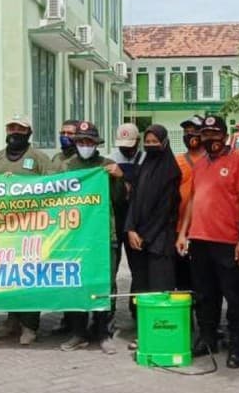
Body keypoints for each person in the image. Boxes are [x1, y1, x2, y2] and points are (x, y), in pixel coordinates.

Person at [176, 115, 239, 369]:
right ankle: (207, 340)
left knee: (235, 298)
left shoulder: (238, 162)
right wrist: (183, 233)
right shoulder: (199, 165)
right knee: (205, 296)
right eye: (206, 134)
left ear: (224, 135)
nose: (211, 139)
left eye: (215, 134)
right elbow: (192, 201)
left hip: (228, 241)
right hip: (199, 240)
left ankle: (237, 347)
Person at [59, 121, 124, 354]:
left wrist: (119, 178)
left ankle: (103, 332)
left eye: (89, 142)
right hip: (75, 237)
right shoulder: (66, 167)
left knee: (105, 284)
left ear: (96, 144)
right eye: (81, 141)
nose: (85, 145)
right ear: (75, 143)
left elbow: (119, 201)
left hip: (104, 236)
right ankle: (78, 332)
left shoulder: (107, 165)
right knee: (78, 284)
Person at [0, 114, 56, 345]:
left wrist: (21, 184)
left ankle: (30, 325)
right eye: (11, 128)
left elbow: (52, 189)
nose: (15, 132)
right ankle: (12, 320)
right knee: (8, 276)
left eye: (20, 129)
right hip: (5, 229)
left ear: (29, 132)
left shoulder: (39, 157)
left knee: (29, 277)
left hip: (31, 228)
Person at [124, 125, 181, 330]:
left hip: (159, 241)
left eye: (154, 142)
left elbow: (164, 211)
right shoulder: (143, 166)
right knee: (140, 285)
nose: (150, 146)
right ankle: (142, 331)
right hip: (136, 239)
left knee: (159, 287)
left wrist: (145, 236)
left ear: (164, 143)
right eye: (147, 143)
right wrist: (130, 229)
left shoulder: (171, 172)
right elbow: (133, 201)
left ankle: (158, 331)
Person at [111, 122, 145, 319]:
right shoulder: (110, 160)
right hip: (116, 220)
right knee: (111, 270)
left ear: (137, 142)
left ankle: (137, 310)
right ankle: (108, 314)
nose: (126, 148)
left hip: (137, 222)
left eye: (130, 144)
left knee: (139, 270)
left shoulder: (146, 159)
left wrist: (123, 177)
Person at [175, 116, 206, 292]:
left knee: (204, 279)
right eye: (186, 132)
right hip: (181, 229)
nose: (190, 135)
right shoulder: (176, 161)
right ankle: (186, 317)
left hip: (206, 230)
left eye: (195, 131)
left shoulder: (212, 161)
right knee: (183, 279)